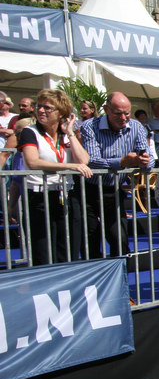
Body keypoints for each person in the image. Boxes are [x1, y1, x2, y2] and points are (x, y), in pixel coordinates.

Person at [18, 89, 92, 265]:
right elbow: (32, 162)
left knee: (68, 250)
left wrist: (70, 133)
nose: (41, 111)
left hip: (66, 195)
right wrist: (69, 166)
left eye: (47, 108)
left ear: (61, 114)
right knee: (43, 252)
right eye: (39, 106)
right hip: (39, 197)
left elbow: (84, 160)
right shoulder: (30, 132)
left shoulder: (65, 134)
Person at [79, 92, 153, 258]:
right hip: (88, 190)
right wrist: (122, 162)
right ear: (106, 110)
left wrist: (144, 162)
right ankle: (93, 272)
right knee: (90, 240)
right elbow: (92, 161)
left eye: (127, 113)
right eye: (118, 113)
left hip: (114, 190)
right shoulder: (89, 126)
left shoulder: (136, 126)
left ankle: (120, 272)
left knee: (120, 239)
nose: (123, 117)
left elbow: (149, 157)